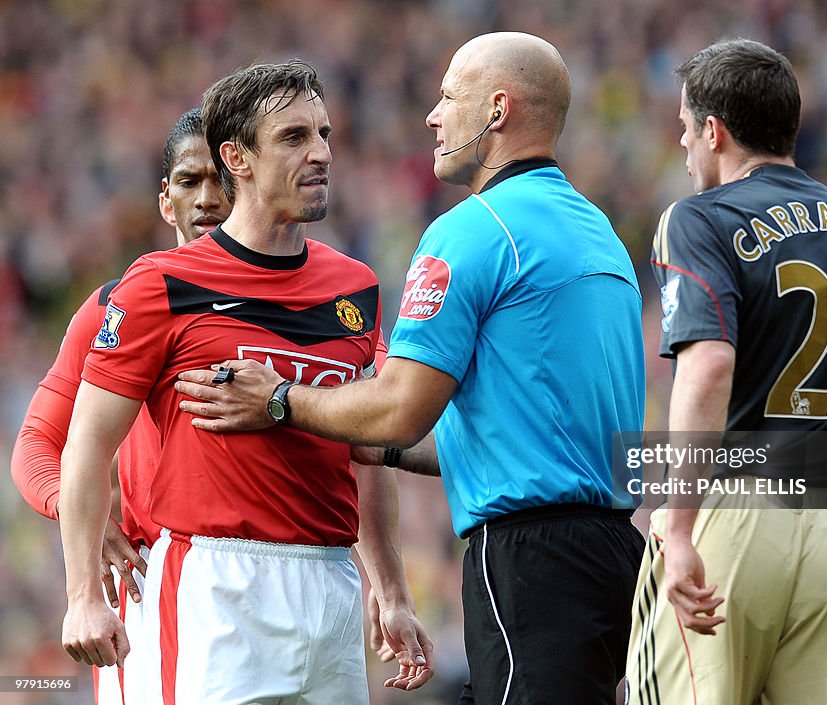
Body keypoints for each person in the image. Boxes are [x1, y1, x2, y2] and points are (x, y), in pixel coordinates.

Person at [175, 32, 647, 705]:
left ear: (497, 110)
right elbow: (529, 430)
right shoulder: (598, 231)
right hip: (609, 554)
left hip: (527, 558)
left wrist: (280, 399)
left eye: (450, 96)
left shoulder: (471, 229)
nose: (433, 114)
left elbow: (400, 405)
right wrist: (379, 447)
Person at [57, 60, 432, 704]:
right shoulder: (159, 284)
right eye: (293, 138)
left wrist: (391, 592)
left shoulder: (355, 285)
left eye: (324, 133)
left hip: (332, 582)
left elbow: (368, 454)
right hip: (216, 584)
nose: (320, 153)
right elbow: (86, 444)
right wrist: (83, 598)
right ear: (238, 158)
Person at [627, 39, 827, 705]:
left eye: (684, 128)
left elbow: (707, 368)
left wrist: (677, 528)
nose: (682, 147)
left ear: (714, 131)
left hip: (735, 511)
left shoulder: (699, 218)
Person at [10, 107, 231, 705]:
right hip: (155, 584)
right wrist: (75, 513)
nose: (208, 199)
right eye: (190, 181)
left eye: (223, 179)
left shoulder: (316, 295)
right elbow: (35, 445)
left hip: (287, 585)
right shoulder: (113, 307)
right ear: (165, 200)